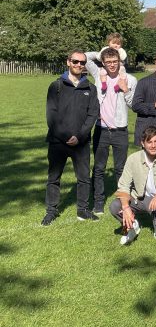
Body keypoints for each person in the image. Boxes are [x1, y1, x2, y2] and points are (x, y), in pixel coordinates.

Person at [42, 50, 100, 225]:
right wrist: (65, 136)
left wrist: (80, 136)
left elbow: (92, 115)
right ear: (68, 62)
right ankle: (51, 211)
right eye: (75, 62)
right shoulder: (56, 86)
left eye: (82, 63)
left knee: (83, 178)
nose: (79, 65)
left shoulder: (90, 88)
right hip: (58, 142)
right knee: (53, 178)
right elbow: (51, 115)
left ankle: (82, 210)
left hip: (81, 143)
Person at [85, 46, 137, 215]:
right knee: (99, 168)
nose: (112, 65)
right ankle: (98, 202)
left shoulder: (130, 79)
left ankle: (121, 201)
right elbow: (84, 57)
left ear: (120, 62)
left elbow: (133, 105)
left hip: (120, 130)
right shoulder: (99, 76)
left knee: (120, 168)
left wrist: (126, 89)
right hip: (101, 129)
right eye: (108, 62)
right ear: (104, 63)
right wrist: (104, 51)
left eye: (115, 61)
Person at [109, 126, 156, 245]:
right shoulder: (133, 159)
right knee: (115, 206)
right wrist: (125, 207)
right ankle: (133, 225)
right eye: (149, 142)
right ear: (142, 143)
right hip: (138, 198)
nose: (153, 145)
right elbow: (123, 186)